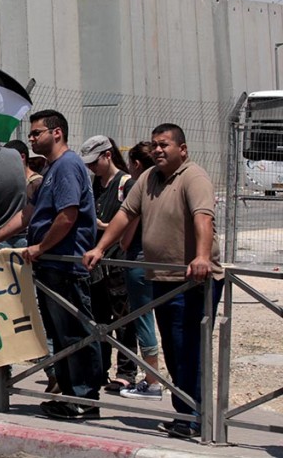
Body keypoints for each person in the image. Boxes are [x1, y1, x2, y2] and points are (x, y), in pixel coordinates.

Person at [83, 124, 224, 439]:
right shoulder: (147, 179)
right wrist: (100, 247)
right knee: (174, 352)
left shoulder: (193, 177)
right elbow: (125, 213)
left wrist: (201, 257)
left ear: (182, 149)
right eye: (155, 145)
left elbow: (204, 218)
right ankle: (186, 415)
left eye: (166, 145)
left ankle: (195, 418)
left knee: (189, 349)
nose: (159, 150)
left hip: (193, 281)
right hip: (162, 278)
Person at [0, 109, 103, 421]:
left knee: (75, 331)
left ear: (56, 132)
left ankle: (85, 398)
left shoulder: (68, 166)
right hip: (50, 265)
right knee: (59, 333)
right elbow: (28, 214)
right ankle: (69, 393)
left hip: (66, 263)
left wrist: (40, 247)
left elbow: (68, 214)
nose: (31, 138)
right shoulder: (52, 169)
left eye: (36, 133)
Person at [79, 134, 137, 393]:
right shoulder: (95, 184)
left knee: (123, 318)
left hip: (118, 260)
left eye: (95, 162)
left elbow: (131, 219)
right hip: (97, 262)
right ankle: (99, 368)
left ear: (108, 155)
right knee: (99, 318)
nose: (92, 167)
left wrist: (108, 229)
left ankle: (126, 372)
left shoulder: (126, 183)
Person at [117, 141, 162, 401]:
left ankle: (152, 380)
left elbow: (127, 231)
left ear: (135, 164)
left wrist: (122, 243)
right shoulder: (160, 184)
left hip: (137, 260)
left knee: (143, 322)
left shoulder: (138, 186)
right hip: (160, 262)